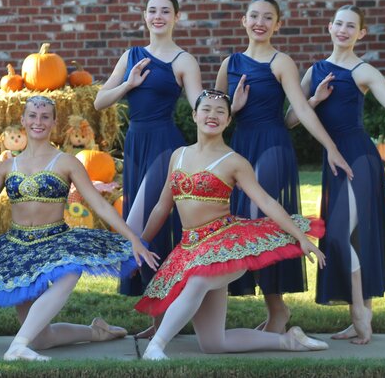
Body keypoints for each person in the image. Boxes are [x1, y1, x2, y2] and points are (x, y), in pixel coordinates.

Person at [0, 95, 159, 362]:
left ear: (54, 122)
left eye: (45, 116)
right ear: (23, 120)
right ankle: (97, 332)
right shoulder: (6, 166)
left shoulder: (66, 162)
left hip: (55, 240)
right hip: (18, 247)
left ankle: (17, 347)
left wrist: (133, 239)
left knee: (71, 269)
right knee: (42, 338)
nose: (38, 122)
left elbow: (102, 206)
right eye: (33, 116)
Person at [285, 5, 385, 345]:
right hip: (332, 160)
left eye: (352, 26)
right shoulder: (314, 71)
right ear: (330, 27)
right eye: (339, 24)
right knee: (351, 236)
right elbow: (290, 118)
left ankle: (361, 312)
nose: (343, 31)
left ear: (361, 34)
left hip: (359, 157)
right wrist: (314, 99)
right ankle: (359, 315)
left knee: (339, 236)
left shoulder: (364, 71)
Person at [135, 89, 328, 360]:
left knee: (199, 279)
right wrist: (140, 244)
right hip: (190, 245)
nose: (212, 116)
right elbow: (161, 207)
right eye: (206, 109)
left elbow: (267, 202)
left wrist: (301, 237)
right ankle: (289, 341)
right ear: (194, 115)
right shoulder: (178, 155)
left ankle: (156, 346)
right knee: (214, 343)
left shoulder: (234, 161)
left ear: (228, 121)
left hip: (223, 241)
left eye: (220, 112)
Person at [215, 0, 353, 333]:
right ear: (243, 20)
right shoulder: (229, 64)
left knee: (264, 220)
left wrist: (331, 147)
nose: (259, 22)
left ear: (278, 24)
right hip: (241, 147)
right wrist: (233, 107)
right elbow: (214, 116)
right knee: (240, 224)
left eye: (268, 17)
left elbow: (300, 112)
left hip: (272, 147)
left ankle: (277, 309)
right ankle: (270, 309)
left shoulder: (281, 62)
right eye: (254, 15)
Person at [94, 0, 202, 337]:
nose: (158, 16)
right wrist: (129, 83)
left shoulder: (184, 60)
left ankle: (166, 315)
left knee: (147, 226)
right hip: (136, 144)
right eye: (152, 11)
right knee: (141, 225)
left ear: (176, 17)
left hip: (164, 146)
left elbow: (200, 108)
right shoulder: (131, 57)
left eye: (165, 11)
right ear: (144, 16)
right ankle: (160, 321)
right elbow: (99, 101)